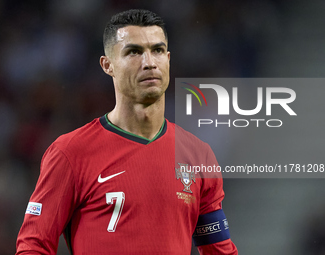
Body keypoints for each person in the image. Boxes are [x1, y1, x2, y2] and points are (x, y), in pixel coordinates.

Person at [16, 9, 238, 255]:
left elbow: (219, 250)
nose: (149, 62)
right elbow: (33, 245)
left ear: (168, 59)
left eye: (157, 50)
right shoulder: (70, 152)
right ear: (107, 65)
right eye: (134, 52)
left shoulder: (198, 156)